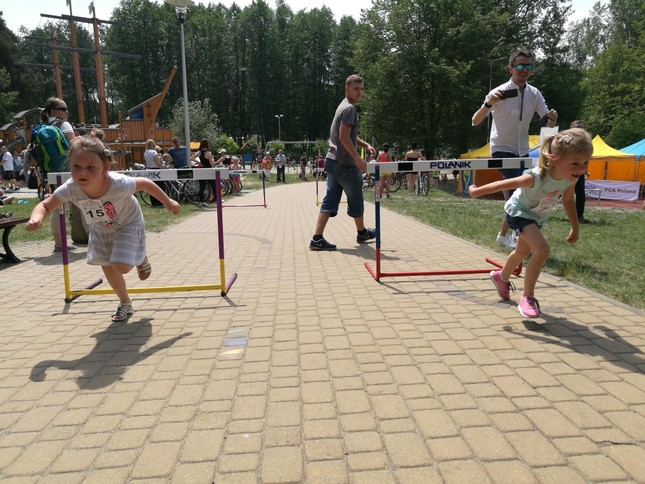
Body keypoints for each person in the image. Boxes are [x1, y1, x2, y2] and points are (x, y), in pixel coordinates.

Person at [26, 136, 180, 322]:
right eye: (76, 167)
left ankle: (139, 257)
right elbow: (45, 205)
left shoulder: (118, 184)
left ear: (104, 168)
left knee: (121, 266)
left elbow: (145, 184)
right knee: (107, 267)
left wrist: (168, 202)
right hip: (100, 227)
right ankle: (125, 302)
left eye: (91, 168)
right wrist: (36, 218)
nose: (83, 172)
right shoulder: (71, 188)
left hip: (127, 223)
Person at [468, 128, 593, 318]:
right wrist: (477, 191)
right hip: (518, 212)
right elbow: (507, 183)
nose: (581, 169)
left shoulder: (570, 179)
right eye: (575, 163)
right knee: (542, 250)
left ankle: (501, 277)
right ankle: (527, 297)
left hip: (536, 217)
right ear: (554, 158)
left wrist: (575, 226)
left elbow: (568, 201)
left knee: (522, 252)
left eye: (585, 163)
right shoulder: (536, 177)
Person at [472, 48, 559, 250]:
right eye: (520, 65)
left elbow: (547, 124)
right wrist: (488, 103)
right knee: (516, 193)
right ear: (510, 68)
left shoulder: (534, 93)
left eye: (528, 66)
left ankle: (504, 234)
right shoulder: (499, 92)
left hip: (523, 150)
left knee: (523, 194)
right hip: (501, 149)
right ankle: (519, 235)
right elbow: (475, 121)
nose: (524, 70)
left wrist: (552, 118)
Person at [310, 74, 376, 251]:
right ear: (347, 89)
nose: (359, 93)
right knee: (356, 200)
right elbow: (343, 136)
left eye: (361, 89)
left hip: (332, 161)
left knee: (329, 201)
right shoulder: (350, 110)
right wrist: (358, 159)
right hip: (345, 165)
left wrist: (365, 144)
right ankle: (362, 233)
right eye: (356, 89)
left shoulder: (343, 106)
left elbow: (349, 135)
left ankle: (317, 238)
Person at [38, 97, 77, 252]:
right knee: (86, 200)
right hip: (68, 169)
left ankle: (59, 243)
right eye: (63, 108)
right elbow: (74, 144)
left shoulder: (42, 127)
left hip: (52, 171)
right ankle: (96, 239)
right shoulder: (63, 124)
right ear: (53, 111)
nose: (67, 112)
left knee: (57, 205)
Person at [569, 120, 590, 223]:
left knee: (580, 193)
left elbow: (586, 158)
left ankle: (579, 216)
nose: (580, 130)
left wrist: (585, 169)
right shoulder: (566, 141)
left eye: (581, 128)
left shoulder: (585, 143)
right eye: (577, 128)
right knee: (555, 192)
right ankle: (543, 211)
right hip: (566, 170)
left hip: (579, 172)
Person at [191, 139, 216, 205]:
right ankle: (216, 198)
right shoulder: (208, 153)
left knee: (202, 186)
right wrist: (213, 166)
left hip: (202, 170)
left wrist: (199, 162)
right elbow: (211, 163)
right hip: (208, 170)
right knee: (213, 185)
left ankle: (201, 200)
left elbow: (191, 158)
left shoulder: (199, 152)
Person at [144, 139, 165, 207]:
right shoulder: (154, 152)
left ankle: (154, 203)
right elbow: (158, 163)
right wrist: (163, 168)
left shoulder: (146, 152)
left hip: (149, 170)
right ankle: (160, 202)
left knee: (151, 188)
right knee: (160, 187)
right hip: (156, 170)